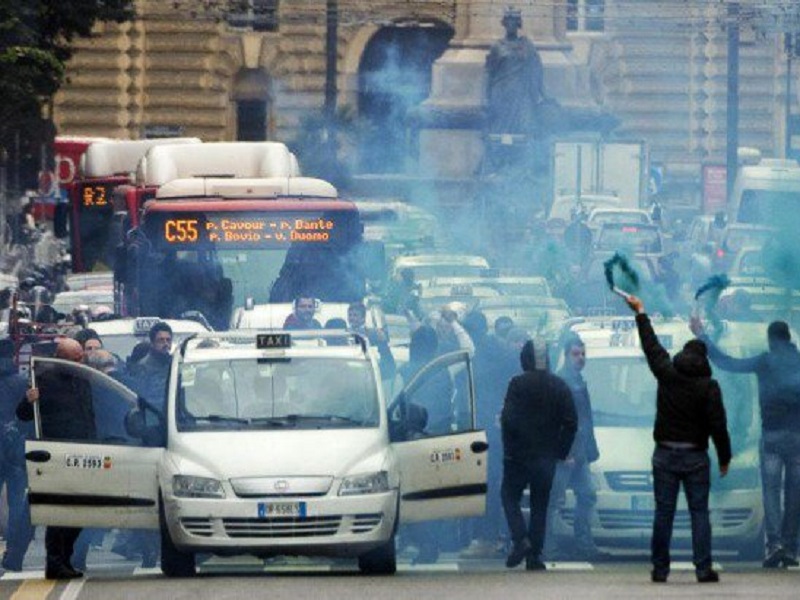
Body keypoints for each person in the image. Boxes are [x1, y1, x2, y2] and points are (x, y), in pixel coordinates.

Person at [627, 295, 731, 583]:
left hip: (664, 454)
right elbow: (718, 426)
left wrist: (641, 314)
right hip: (696, 456)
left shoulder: (667, 373)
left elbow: (651, 345)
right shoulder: (708, 387)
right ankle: (702, 568)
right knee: (699, 513)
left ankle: (660, 569)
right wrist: (724, 458)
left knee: (664, 513)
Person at [691, 317, 800, 568]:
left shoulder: (765, 360)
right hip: (797, 436)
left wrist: (702, 336)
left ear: (772, 340)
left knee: (771, 492)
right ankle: (792, 548)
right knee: (795, 492)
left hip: (772, 435)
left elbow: (728, 363)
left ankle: (775, 545)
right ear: (789, 339)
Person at [16, 338, 94, 580]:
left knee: (80, 512)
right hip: (56, 454)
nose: (81, 361)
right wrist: (29, 400)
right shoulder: (44, 381)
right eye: (76, 358)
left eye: (82, 356)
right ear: (62, 359)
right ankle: (55, 562)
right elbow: (23, 415)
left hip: (83, 452)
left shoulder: (84, 379)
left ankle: (67, 558)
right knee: (59, 512)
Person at [501, 339, 577, 571]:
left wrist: (509, 449)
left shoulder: (517, 383)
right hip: (546, 458)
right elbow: (571, 423)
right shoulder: (559, 385)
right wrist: (560, 452)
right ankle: (535, 556)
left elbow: (508, 420)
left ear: (525, 359)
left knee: (508, 496)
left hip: (519, 456)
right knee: (540, 505)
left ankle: (520, 539)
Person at [545, 334, 606, 561]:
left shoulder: (579, 380)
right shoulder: (560, 382)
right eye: (575, 354)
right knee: (553, 501)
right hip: (565, 454)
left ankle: (584, 544)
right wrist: (563, 451)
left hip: (579, 453)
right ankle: (547, 548)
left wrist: (589, 450)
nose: (580, 358)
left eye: (583, 354)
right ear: (565, 355)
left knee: (588, 495)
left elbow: (585, 419)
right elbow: (554, 420)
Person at [0, 339, 34, 572]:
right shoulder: (21, 382)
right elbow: (28, 417)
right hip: (14, 448)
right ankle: (13, 545)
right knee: (17, 501)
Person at [485, 7, 545, 135]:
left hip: (521, 93)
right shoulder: (497, 46)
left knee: (522, 129)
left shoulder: (527, 45)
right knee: (499, 129)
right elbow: (490, 73)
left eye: (514, 21)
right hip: (501, 92)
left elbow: (537, 69)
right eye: (508, 21)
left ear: (519, 24)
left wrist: (543, 93)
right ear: (504, 23)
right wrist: (486, 98)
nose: (511, 24)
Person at [346, 302, 396, 383]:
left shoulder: (374, 335)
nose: (352, 318)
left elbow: (385, 361)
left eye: (355, 315)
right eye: (350, 315)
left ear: (363, 318)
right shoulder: (343, 334)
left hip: (368, 375)